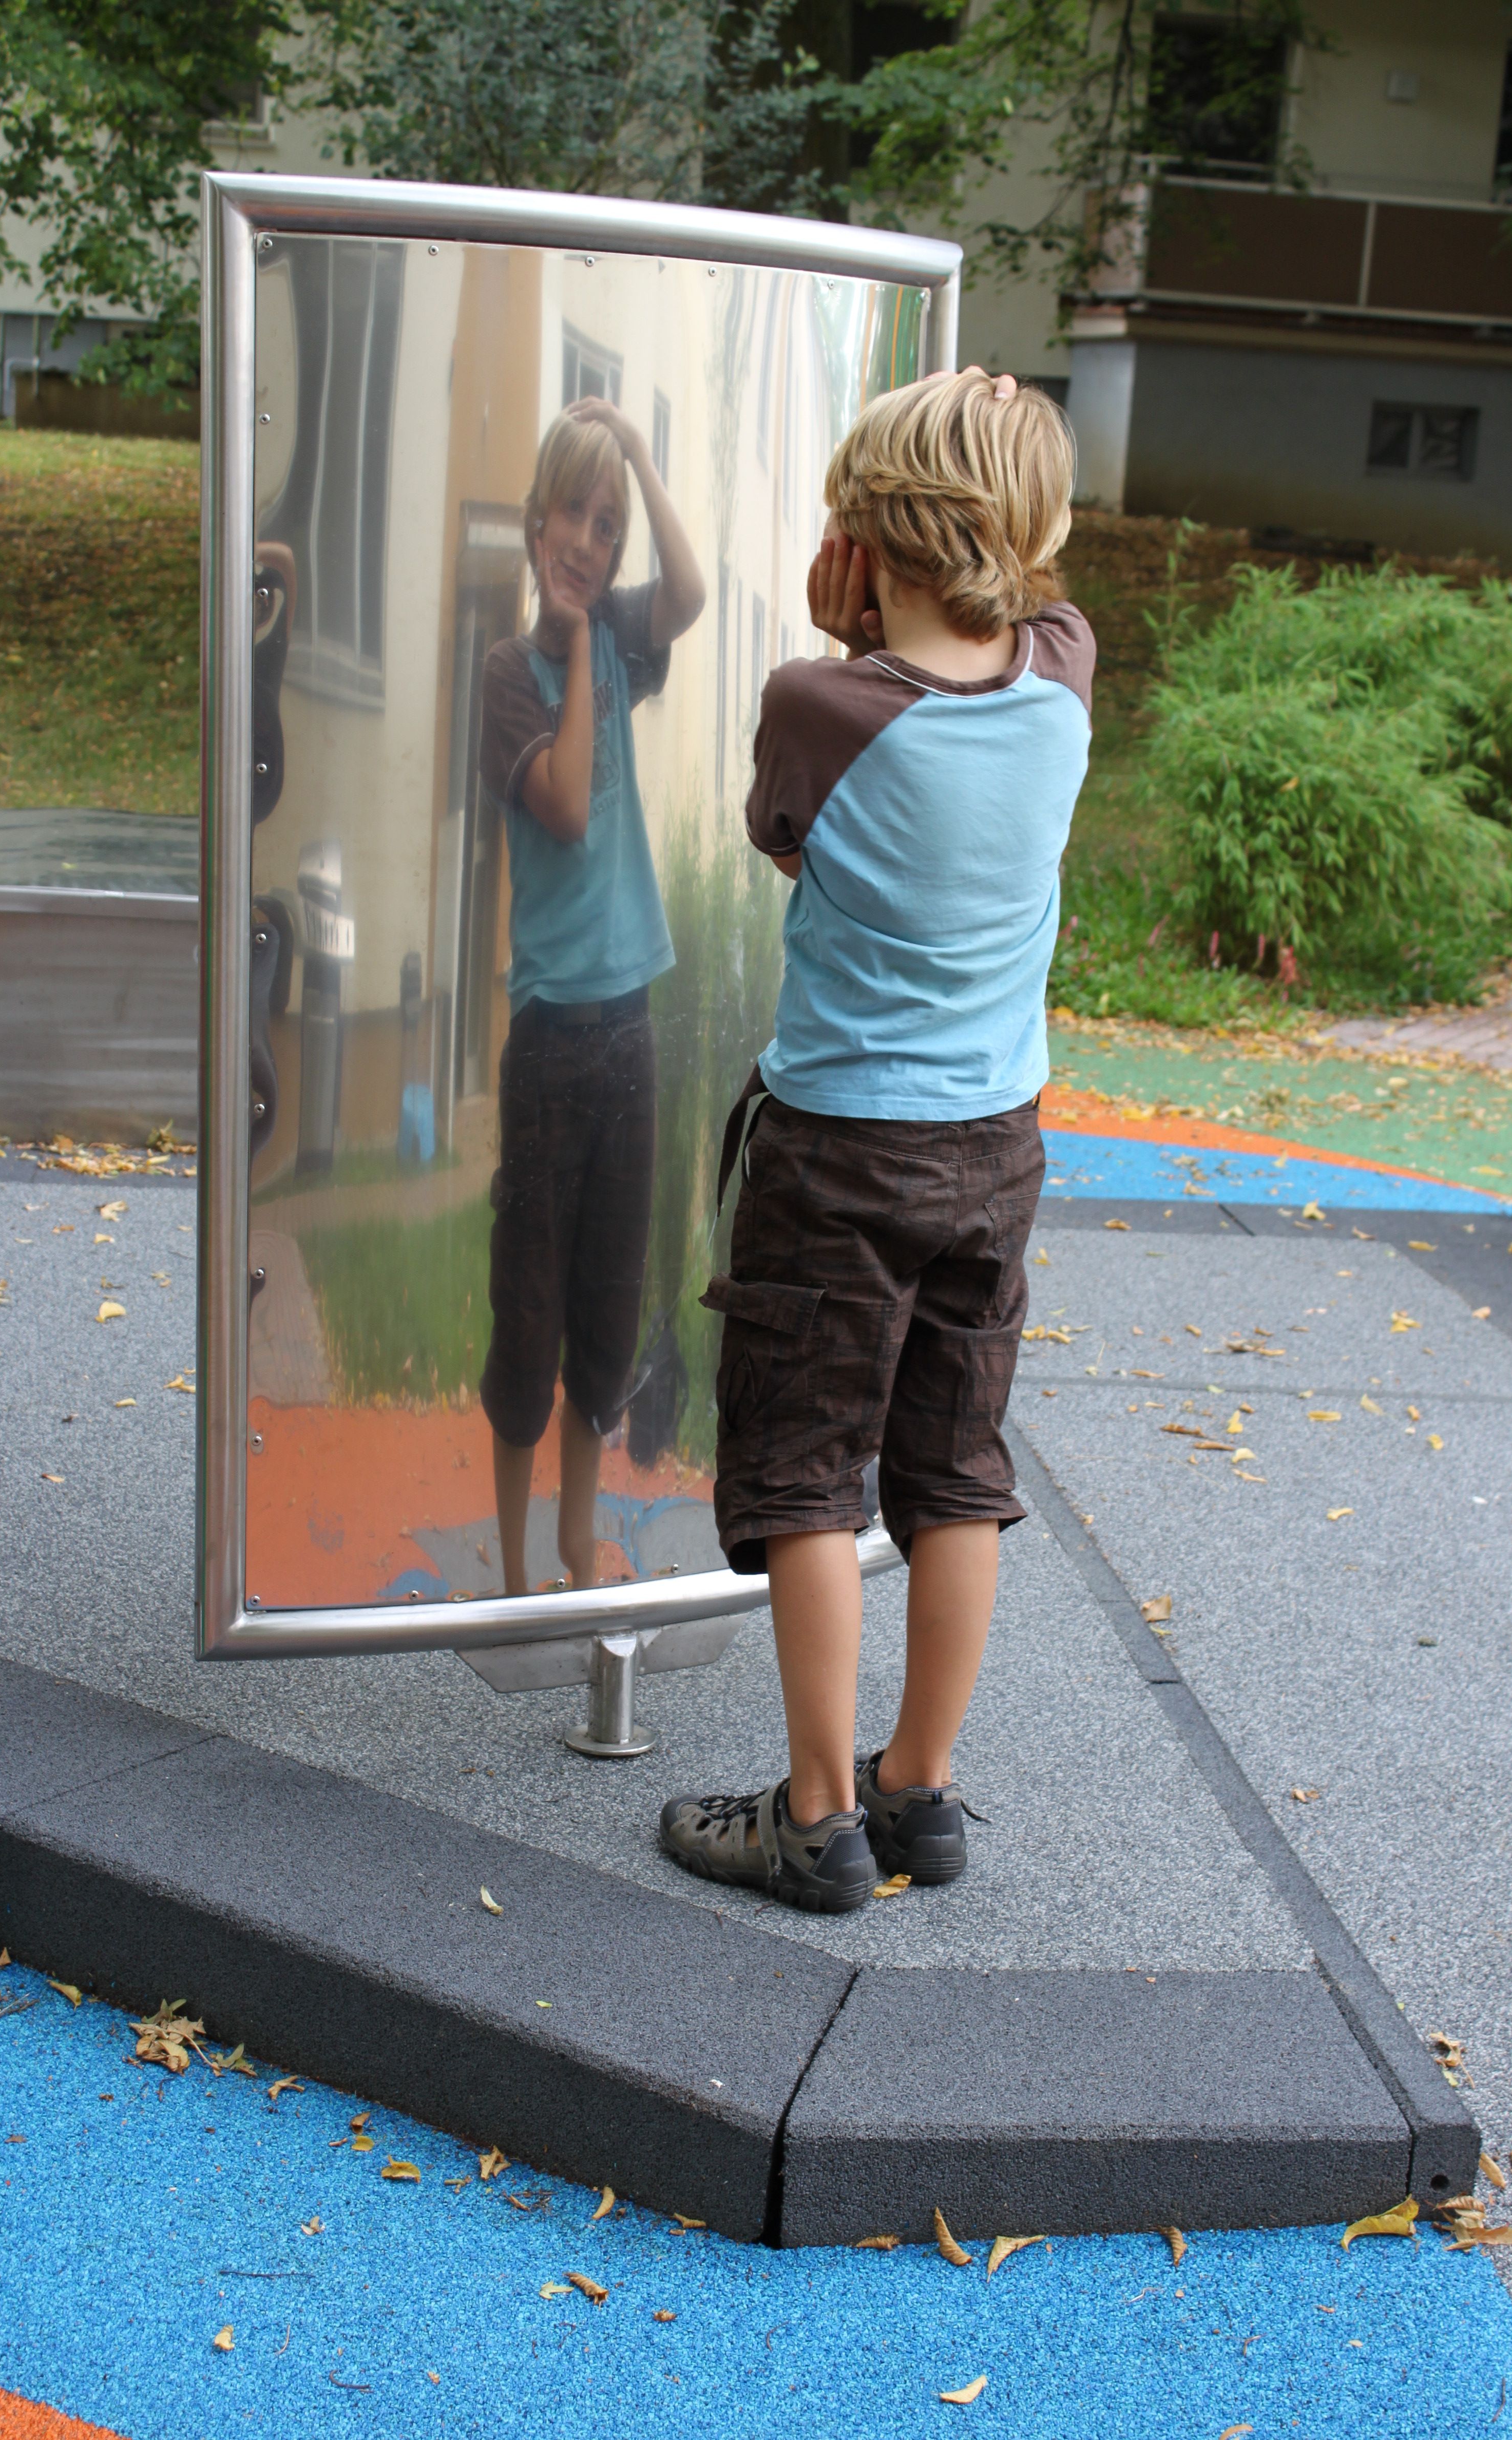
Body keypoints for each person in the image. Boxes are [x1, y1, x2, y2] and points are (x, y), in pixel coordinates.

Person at [659, 367, 1093, 1911]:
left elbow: (787, 839)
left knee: (807, 1472)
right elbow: (1027, 611)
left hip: (840, 1149)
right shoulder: (1065, 672)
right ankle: (921, 1786)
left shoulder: (818, 701)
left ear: (864, 542)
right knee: (958, 1468)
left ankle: (817, 1818)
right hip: (996, 1149)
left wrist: (849, 636)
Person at [477, 398, 704, 1596]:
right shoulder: (509, 675)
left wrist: (645, 463)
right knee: (531, 1303)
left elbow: (692, 593)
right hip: (552, 1039)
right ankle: (516, 1562)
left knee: (608, 1305)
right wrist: (571, 646)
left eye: (609, 527)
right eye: (574, 513)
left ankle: (575, 1540)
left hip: (630, 1028)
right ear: (535, 527)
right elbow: (565, 804)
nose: (589, 540)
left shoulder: (621, 633)